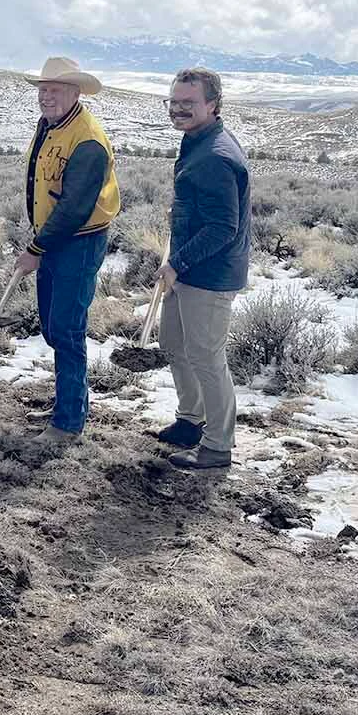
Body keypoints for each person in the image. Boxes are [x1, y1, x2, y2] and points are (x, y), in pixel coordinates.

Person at [13, 57, 121, 443]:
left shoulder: (87, 140)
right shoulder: (50, 126)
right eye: (43, 89)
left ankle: (68, 422)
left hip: (77, 241)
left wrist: (36, 247)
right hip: (55, 238)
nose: (46, 96)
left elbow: (75, 206)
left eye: (55, 89)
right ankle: (67, 402)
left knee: (67, 329)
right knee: (54, 326)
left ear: (75, 92)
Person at [155, 67, 251, 470]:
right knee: (175, 345)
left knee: (208, 358)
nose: (178, 110)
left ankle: (216, 447)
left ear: (213, 105)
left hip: (208, 276)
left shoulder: (214, 156)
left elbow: (222, 228)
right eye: (174, 102)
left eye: (188, 103)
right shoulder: (197, 141)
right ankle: (191, 420)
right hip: (189, 268)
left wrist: (177, 262)